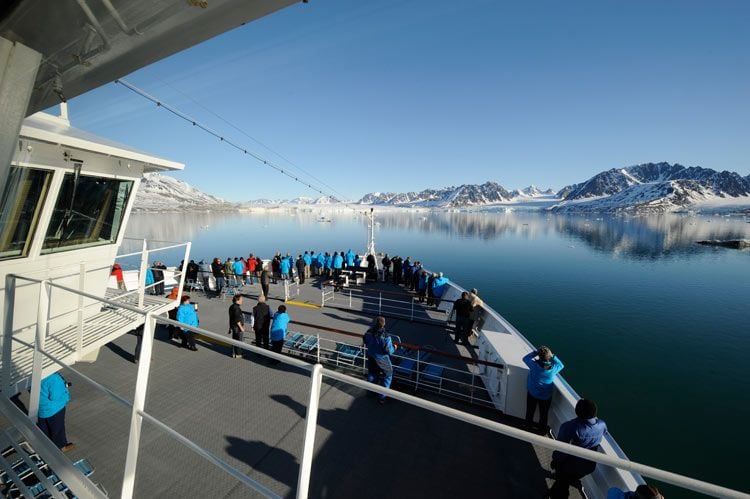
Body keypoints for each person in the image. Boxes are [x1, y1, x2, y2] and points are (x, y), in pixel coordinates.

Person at [549, 399, 608, 499]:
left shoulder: (570, 427)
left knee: (562, 486)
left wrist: (555, 460)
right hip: (589, 466)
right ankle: (570, 481)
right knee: (569, 478)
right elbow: (604, 433)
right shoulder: (602, 425)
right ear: (595, 412)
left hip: (570, 466)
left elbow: (561, 449)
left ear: (577, 411)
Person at [523, 345, 564, 430]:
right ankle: (541, 431)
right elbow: (561, 365)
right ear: (549, 357)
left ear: (539, 356)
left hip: (532, 394)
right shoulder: (553, 369)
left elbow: (525, 358)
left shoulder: (534, 365)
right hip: (546, 397)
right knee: (544, 415)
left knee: (530, 412)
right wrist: (553, 356)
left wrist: (535, 353)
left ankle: (527, 428)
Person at [37, 373, 75, 452]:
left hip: (42, 409)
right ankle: (61, 447)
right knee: (57, 428)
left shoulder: (36, 376)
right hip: (55, 409)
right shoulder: (54, 378)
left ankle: (46, 445)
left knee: (44, 428)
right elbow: (55, 396)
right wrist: (66, 394)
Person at [363, 316, 395, 403]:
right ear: (384, 324)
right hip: (382, 358)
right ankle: (382, 397)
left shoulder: (368, 332)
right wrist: (395, 347)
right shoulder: (385, 336)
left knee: (372, 373)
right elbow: (389, 351)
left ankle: (370, 392)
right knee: (388, 374)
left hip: (371, 356)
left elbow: (365, 341)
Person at [228, 294, 247, 358]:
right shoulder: (236, 308)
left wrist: (230, 327)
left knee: (234, 340)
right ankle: (238, 354)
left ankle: (233, 353)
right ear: (237, 300)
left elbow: (231, 318)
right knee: (238, 340)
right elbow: (237, 319)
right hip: (237, 328)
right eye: (241, 299)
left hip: (233, 326)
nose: (242, 301)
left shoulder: (232, 306)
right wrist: (241, 327)